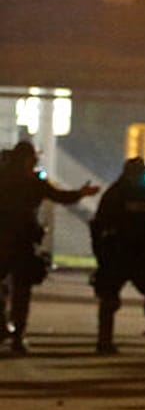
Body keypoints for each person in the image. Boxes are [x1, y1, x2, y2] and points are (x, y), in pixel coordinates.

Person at [0, 141, 100, 353]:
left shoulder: (7, 178)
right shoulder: (33, 182)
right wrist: (81, 193)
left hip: (10, 241)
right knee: (21, 291)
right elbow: (60, 196)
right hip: (22, 243)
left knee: (10, 288)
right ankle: (17, 335)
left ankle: (6, 328)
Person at [90, 157, 145, 355]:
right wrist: (101, 254)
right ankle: (104, 341)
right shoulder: (115, 194)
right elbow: (98, 225)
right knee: (109, 299)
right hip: (119, 253)